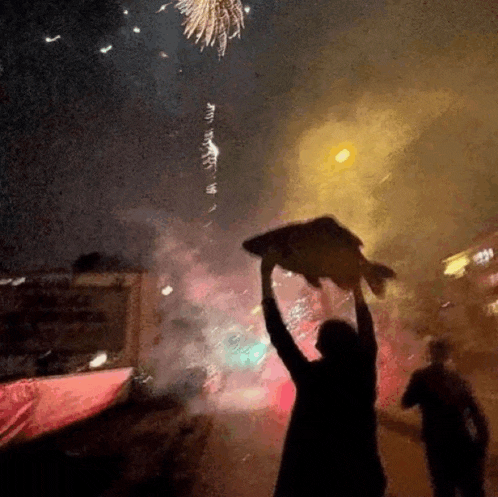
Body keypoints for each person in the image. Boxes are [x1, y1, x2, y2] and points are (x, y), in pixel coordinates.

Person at [260, 255, 386, 497]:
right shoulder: (363, 370)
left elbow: (278, 334)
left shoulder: (311, 378)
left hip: (316, 483)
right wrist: (356, 285)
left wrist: (265, 278)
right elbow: (367, 328)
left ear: (323, 347)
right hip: (363, 481)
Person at [401, 337, 489, 497]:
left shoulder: (421, 376)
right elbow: (475, 411)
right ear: (447, 355)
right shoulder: (457, 378)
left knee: (443, 488)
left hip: (437, 442)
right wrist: (481, 441)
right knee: (470, 488)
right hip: (463, 440)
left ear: (430, 354)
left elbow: (406, 402)